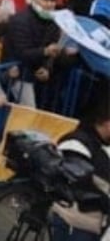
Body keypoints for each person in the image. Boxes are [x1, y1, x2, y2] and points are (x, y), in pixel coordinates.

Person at [54, 100, 110, 240]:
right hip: (75, 223)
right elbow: (82, 188)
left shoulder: (102, 145)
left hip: (95, 225)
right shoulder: (75, 143)